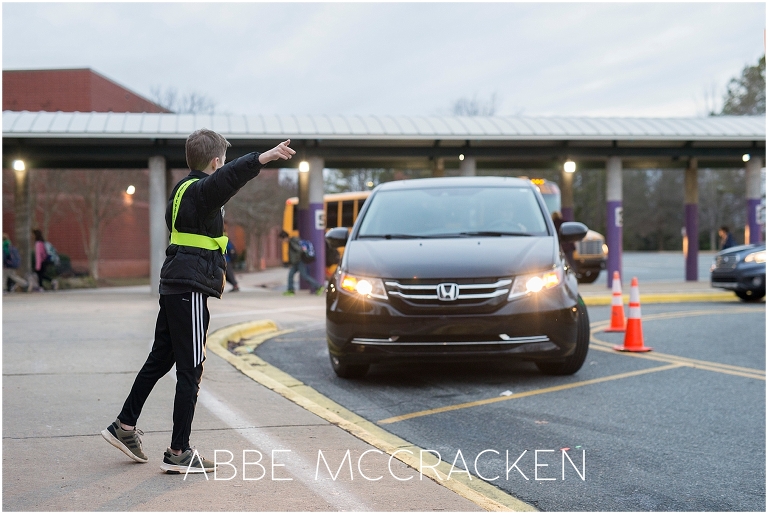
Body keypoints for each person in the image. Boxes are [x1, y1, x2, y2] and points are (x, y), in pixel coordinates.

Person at [101, 129, 295, 474]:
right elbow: (227, 180)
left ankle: (124, 426)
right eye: (221, 164)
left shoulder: (180, 191)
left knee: (161, 358)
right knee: (191, 368)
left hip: (175, 284)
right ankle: (179, 450)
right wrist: (263, 157)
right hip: (188, 289)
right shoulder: (204, 191)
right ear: (216, 162)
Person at [279, 230, 324, 296]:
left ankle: (319, 286)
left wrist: (296, 259)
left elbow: (299, 250)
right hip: (296, 262)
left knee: (304, 276)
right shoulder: (292, 241)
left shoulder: (292, 242)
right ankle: (290, 290)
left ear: (284, 237)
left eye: (282, 239)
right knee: (291, 275)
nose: (282, 241)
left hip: (299, 262)